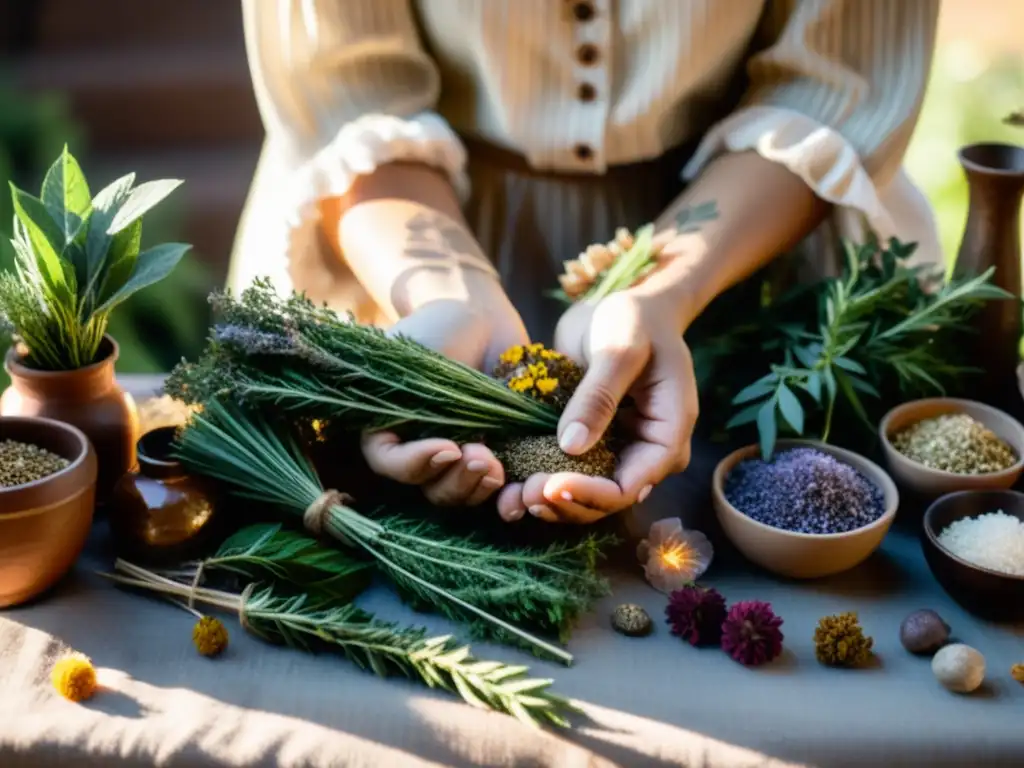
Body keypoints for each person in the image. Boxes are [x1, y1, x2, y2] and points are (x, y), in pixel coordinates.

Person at [232, 0, 941, 525]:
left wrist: (656, 294)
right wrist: (451, 301)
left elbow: (831, 86)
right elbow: (348, 96)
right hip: (401, 231)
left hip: (740, 245)